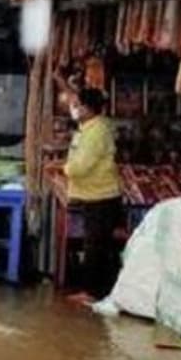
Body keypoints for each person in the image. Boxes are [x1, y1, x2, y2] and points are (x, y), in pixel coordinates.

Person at [64, 88, 123, 305]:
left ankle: (93, 292)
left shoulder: (97, 131)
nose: (75, 108)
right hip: (94, 194)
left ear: (88, 108)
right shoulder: (88, 128)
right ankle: (98, 290)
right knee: (98, 245)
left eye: (78, 104)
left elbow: (80, 166)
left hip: (100, 196)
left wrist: (65, 169)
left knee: (96, 247)